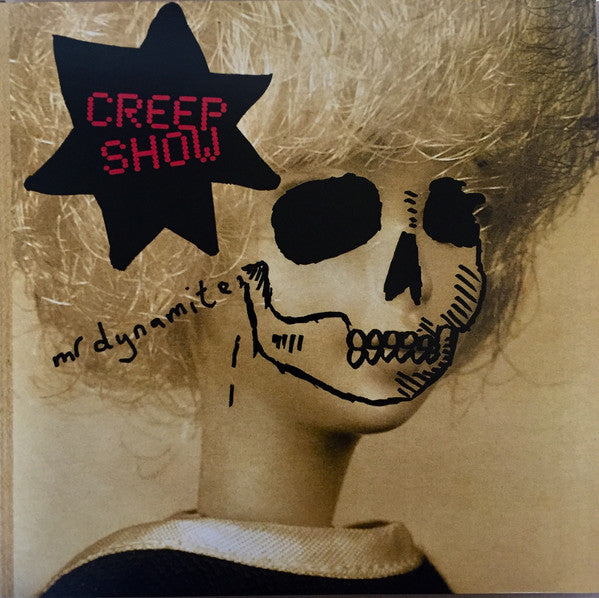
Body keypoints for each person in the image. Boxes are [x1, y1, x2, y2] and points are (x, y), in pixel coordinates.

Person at [11, 0, 597, 595]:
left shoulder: (409, 578)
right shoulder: (130, 590)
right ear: (177, 249)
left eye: (454, 213)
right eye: (331, 211)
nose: (410, 278)